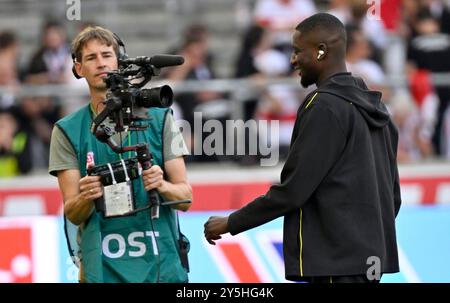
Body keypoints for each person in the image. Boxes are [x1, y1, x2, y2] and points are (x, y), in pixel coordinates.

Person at [204, 13, 401, 283]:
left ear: (321, 51)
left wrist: (232, 222)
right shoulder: (376, 106)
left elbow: (294, 190)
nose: (292, 60)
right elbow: (393, 196)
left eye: (298, 51)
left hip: (337, 263)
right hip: (370, 261)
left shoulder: (323, 105)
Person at [48, 26, 192, 283]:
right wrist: (87, 196)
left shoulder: (160, 119)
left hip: (163, 268)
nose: (101, 63)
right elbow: (72, 212)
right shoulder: (66, 130)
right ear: (78, 68)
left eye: (106, 55)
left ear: (120, 61)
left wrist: (162, 185)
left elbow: (185, 198)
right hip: (103, 271)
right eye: (91, 58)